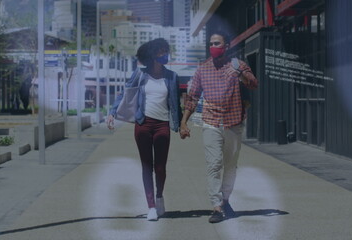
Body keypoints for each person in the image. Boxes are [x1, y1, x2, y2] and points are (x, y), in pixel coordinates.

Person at [180, 30, 258, 223]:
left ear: (227, 46)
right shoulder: (203, 69)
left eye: (217, 43)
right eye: (211, 44)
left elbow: (254, 84)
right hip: (211, 123)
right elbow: (192, 97)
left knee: (230, 166)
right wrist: (184, 122)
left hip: (233, 123)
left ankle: (225, 200)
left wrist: (240, 75)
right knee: (214, 164)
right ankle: (216, 207)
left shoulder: (237, 65)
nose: (213, 47)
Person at [107, 38, 182, 221]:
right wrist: (112, 112)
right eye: (161, 51)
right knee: (146, 166)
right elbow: (125, 94)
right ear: (152, 55)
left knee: (160, 167)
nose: (164, 54)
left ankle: (159, 197)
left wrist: (181, 124)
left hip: (162, 124)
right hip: (143, 124)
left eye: (166, 51)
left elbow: (175, 104)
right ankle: (151, 207)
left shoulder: (172, 76)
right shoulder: (140, 75)